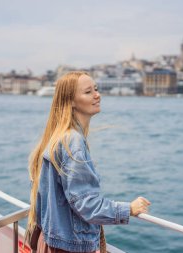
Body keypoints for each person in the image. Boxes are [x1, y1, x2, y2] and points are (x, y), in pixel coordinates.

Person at [26, 71, 151, 253]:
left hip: (53, 242)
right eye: (88, 92)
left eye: (96, 89)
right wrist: (128, 209)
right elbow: (86, 204)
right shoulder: (72, 142)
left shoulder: (57, 138)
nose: (97, 95)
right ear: (71, 101)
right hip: (70, 247)